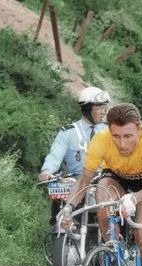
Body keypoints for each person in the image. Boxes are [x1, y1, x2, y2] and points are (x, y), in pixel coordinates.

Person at [59, 103, 142, 266]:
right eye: (116, 136)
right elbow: (84, 181)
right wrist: (67, 208)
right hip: (116, 177)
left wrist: (133, 199)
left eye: (128, 136)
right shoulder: (101, 139)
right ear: (109, 130)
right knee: (102, 191)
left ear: (139, 129)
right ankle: (113, 250)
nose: (122, 144)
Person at [39, 86, 110, 224]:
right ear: (88, 109)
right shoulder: (68, 133)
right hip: (76, 181)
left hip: (103, 180)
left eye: (104, 107)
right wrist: (47, 171)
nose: (103, 112)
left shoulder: (109, 132)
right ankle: (60, 231)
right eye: (99, 108)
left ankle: (121, 239)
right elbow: (55, 155)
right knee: (59, 196)